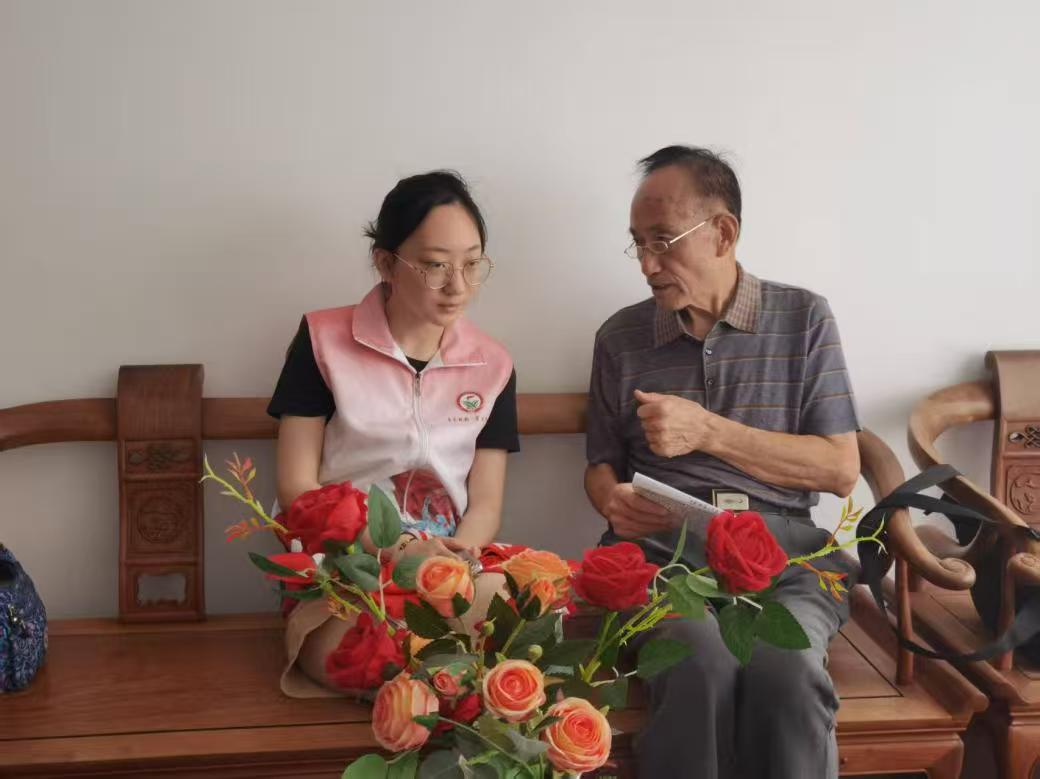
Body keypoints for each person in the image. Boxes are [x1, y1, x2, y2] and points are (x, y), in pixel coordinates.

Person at [583, 146, 861, 778]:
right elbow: (600, 463)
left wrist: (707, 431)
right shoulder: (620, 337)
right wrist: (609, 500)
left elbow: (840, 469)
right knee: (697, 657)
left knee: (788, 669)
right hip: (661, 553)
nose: (647, 264)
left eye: (662, 241)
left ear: (723, 233)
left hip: (787, 558)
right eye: (637, 244)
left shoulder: (804, 318)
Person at [267, 170, 518, 696]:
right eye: (435, 265)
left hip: (447, 570)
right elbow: (297, 488)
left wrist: (456, 561)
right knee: (373, 656)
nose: (458, 286)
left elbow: (486, 503)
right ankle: (437, 679)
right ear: (386, 263)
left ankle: (439, 676)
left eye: (472, 264)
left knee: (521, 609)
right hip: (344, 568)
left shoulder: (493, 365)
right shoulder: (322, 342)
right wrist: (398, 548)